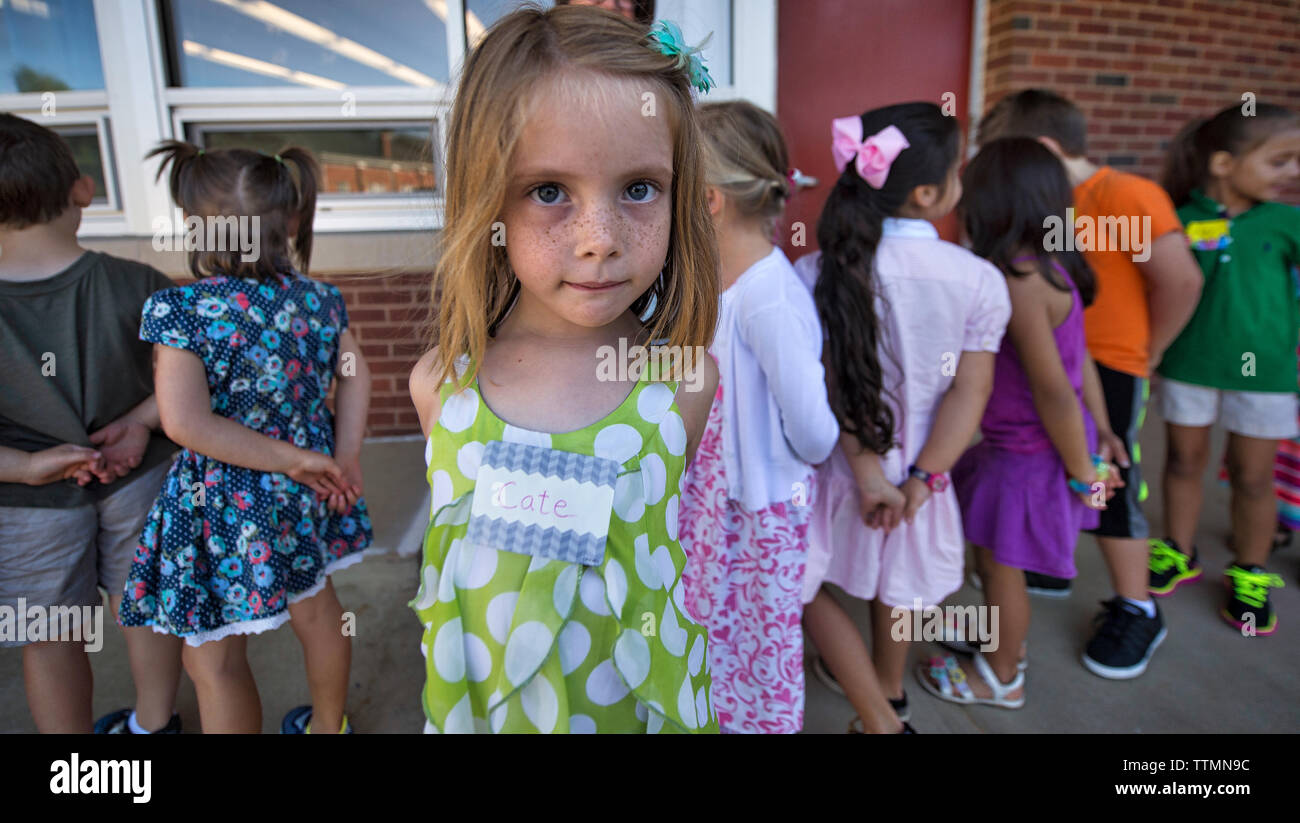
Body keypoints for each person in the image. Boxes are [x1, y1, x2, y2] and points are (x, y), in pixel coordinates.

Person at [407, 5, 719, 734]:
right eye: (549, 191)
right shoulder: (441, 388)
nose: (599, 240)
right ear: (487, 199)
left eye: (639, 188)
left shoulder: (683, 382)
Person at [118, 141, 373, 734]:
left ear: (192, 225)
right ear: (288, 219)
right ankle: (328, 725)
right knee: (318, 610)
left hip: (223, 499)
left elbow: (187, 422)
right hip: (305, 488)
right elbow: (357, 376)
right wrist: (342, 457)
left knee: (212, 650)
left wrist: (294, 460)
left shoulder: (180, 310)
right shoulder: (319, 300)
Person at [797, 102, 1011, 732]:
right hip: (923, 460)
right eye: (957, 170)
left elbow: (830, 383)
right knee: (902, 581)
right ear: (926, 193)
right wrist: (923, 477)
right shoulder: (977, 279)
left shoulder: (816, 270)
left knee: (813, 569)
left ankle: (848, 666)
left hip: (841, 456)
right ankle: (887, 690)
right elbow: (970, 393)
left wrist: (872, 470)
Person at [977, 89, 1202, 679]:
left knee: (1110, 484)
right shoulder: (1049, 207)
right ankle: (1047, 558)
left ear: (1041, 149)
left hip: (1111, 363)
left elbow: (1180, 281)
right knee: (1072, 471)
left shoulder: (1124, 196)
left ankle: (1137, 604)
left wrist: (1148, 355)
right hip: (1061, 361)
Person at [0, 113, 184, 734]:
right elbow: (191, 384)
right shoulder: (141, 285)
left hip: (27, 504)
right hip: (143, 479)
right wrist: (137, 422)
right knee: (146, 609)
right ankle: (153, 728)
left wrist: (26, 466)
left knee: (48, 634)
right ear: (83, 189)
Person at [926, 137, 1123, 707]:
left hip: (1031, 454)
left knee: (1001, 565)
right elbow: (1080, 359)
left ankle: (1002, 675)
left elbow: (1053, 389)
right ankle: (999, 641)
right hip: (1031, 448)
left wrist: (1084, 468)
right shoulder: (1056, 267)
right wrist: (1105, 429)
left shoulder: (1019, 277)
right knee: (992, 556)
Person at [678, 100, 838, 733]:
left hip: (758, 514)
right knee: (718, 645)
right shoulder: (725, 282)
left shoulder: (768, 297)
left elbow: (816, 429)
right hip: (719, 506)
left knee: (757, 654)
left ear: (710, 201)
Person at [1150, 103, 1300, 634]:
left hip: (1266, 377)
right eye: (1279, 161)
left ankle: (1252, 571)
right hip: (1189, 365)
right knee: (1182, 463)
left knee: (1254, 477)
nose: (1293, 173)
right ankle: (1178, 551)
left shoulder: (1287, 222)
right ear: (1222, 164)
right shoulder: (1181, 220)